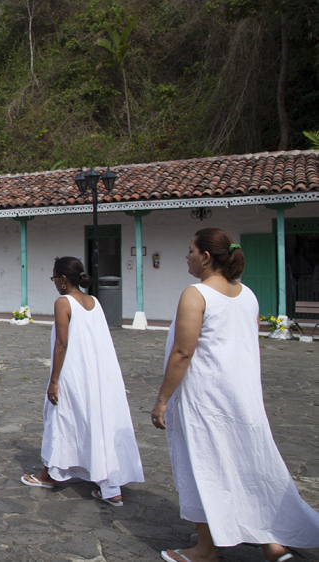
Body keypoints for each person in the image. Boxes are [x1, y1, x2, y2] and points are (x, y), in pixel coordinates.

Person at [151, 229, 319, 562]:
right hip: (241, 394)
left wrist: (162, 400)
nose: (187, 256)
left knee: (203, 464)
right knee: (247, 464)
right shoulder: (247, 295)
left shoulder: (195, 294)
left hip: (206, 397)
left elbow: (183, 352)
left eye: (190, 250)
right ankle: (271, 542)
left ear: (206, 257)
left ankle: (205, 549)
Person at [22, 256, 144, 506]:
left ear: (64, 279)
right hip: (96, 374)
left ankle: (49, 475)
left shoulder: (63, 302)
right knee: (96, 421)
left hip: (72, 372)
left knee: (60, 418)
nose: (54, 282)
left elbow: (62, 343)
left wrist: (54, 380)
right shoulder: (94, 302)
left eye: (54, 277)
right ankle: (110, 486)